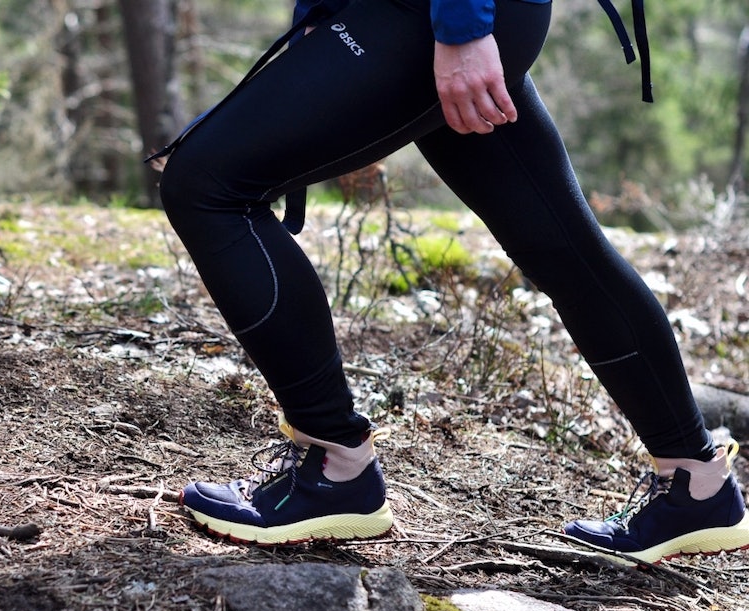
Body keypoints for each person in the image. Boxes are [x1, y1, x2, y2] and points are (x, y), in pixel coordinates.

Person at [154, 0, 748, 565]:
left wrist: (462, 26)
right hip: (448, 13)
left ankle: (335, 465)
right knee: (562, 246)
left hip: (440, 14)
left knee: (207, 183)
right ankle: (697, 487)